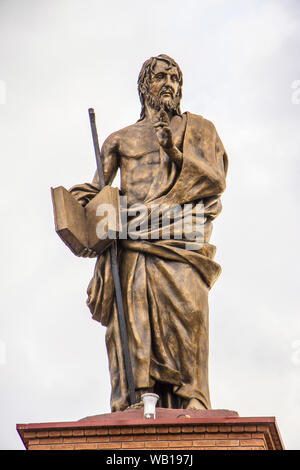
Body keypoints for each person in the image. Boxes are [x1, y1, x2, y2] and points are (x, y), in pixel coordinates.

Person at [70, 54, 228, 411]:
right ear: (145, 87)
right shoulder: (120, 140)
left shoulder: (199, 130)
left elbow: (214, 179)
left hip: (181, 242)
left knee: (191, 315)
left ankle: (193, 398)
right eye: (160, 77)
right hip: (134, 247)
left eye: (175, 78)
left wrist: (173, 150)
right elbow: (98, 194)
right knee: (136, 329)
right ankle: (138, 399)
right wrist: (77, 205)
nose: (169, 83)